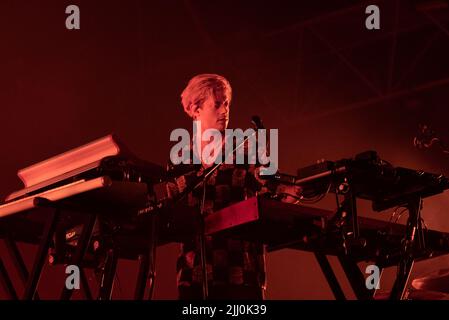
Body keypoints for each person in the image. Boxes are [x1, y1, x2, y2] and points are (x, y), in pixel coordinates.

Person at [166, 73, 297, 300]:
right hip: (194, 274)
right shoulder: (179, 158)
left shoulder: (248, 150)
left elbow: (270, 191)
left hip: (243, 272)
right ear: (195, 109)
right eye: (217, 104)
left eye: (227, 104)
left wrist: (288, 193)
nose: (224, 110)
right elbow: (170, 214)